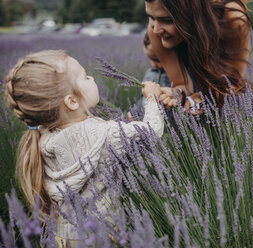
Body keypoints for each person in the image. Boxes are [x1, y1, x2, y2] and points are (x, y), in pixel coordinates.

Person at [5, 50, 164, 246]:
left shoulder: (42, 137)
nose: (91, 78)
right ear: (72, 101)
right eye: (85, 77)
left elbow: (86, 141)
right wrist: (152, 99)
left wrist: (125, 127)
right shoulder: (106, 134)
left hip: (64, 238)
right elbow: (153, 131)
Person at [145, 0, 253, 113]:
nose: (156, 30)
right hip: (168, 81)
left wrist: (201, 97)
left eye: (167, 20)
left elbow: (234, 82)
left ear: (193, 11)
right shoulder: (154, 30)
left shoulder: (232, 17)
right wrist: (178, 93)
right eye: (151, 18)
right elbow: (181, 84)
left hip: (216, 84)